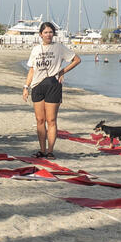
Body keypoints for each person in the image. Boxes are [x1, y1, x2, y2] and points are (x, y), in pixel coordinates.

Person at [21, 21, 81, 158]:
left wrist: (62, 72)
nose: (48, 34)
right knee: (39, 120)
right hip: (37, 86)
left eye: (50, 32)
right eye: (46, 32)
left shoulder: (59, 47)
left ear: (53, 34)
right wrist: (26, 87)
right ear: (40, 34)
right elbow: (32, 70)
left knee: (51, 120)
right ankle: (42, 150)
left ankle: (50, 151)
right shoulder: (35, 50)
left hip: (53, 85)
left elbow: (77, 60)